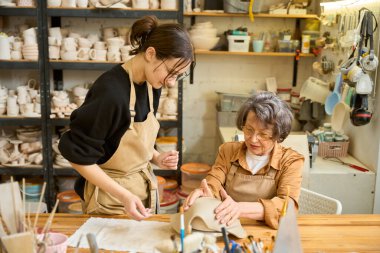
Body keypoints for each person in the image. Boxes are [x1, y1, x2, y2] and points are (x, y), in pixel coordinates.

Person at [58, 15, 194, 220]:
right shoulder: (110, 93)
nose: (172, 83)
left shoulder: (151, 84)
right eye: (171, 73)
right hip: (109, 200)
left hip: (141, 190)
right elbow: (78, 157)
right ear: (150, 53)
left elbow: (124, 138)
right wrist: (123, 196)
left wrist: (156, 156)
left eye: (178, 76)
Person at [183, 91, 304, 229]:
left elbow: (287, 206)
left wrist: (240, 208)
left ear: (278, 135)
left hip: (266, 231)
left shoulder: (290, 161)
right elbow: (214, 181)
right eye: (249, 129)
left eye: (263, 134)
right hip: (226, 225)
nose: (253, 139)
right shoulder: (228, 151)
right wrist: (206, 193)